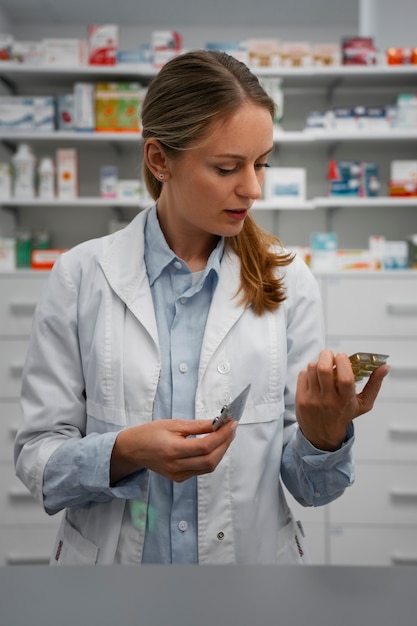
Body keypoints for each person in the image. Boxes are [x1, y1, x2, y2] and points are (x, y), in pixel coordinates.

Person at [14, 50, 389, 566]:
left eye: (261, 164)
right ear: (159, 160)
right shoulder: (80, 277)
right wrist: (124, 451)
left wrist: (324, 439)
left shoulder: (287, 281)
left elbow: (312, 490)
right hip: (113, 585)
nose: (253, 189)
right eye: (227, 167)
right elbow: (36, 458)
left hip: (248, 586)